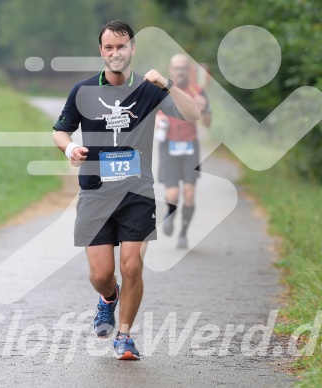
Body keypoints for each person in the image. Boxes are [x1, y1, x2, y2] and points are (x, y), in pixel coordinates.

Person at [52, 20, 200, 360]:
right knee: (102, 274)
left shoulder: (149, 90)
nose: (115, 53)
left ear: (132, 48)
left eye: (121, 47)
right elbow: (59, 131)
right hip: (95, 191)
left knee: (132, 266)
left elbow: (192, 113)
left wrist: (168, 84)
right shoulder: (83, 90)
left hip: (138, 192)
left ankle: (125, 335)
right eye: (109, 47)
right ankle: (108, 298)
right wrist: (69, 148)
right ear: (101, 51)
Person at [156, 54, 212, 249]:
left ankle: (183, 233)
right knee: (172, 193)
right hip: (168, 145)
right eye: (176, 68)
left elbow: (207, 123)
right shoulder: (161, 90)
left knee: (189, 193)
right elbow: (149, 115)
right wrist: (157, 121)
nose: (179, 72)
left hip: (190, 145)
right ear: (171, 70)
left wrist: (204, 110)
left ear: (188, 70)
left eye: (183, 68)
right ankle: (169, 216)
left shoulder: (197, 92)